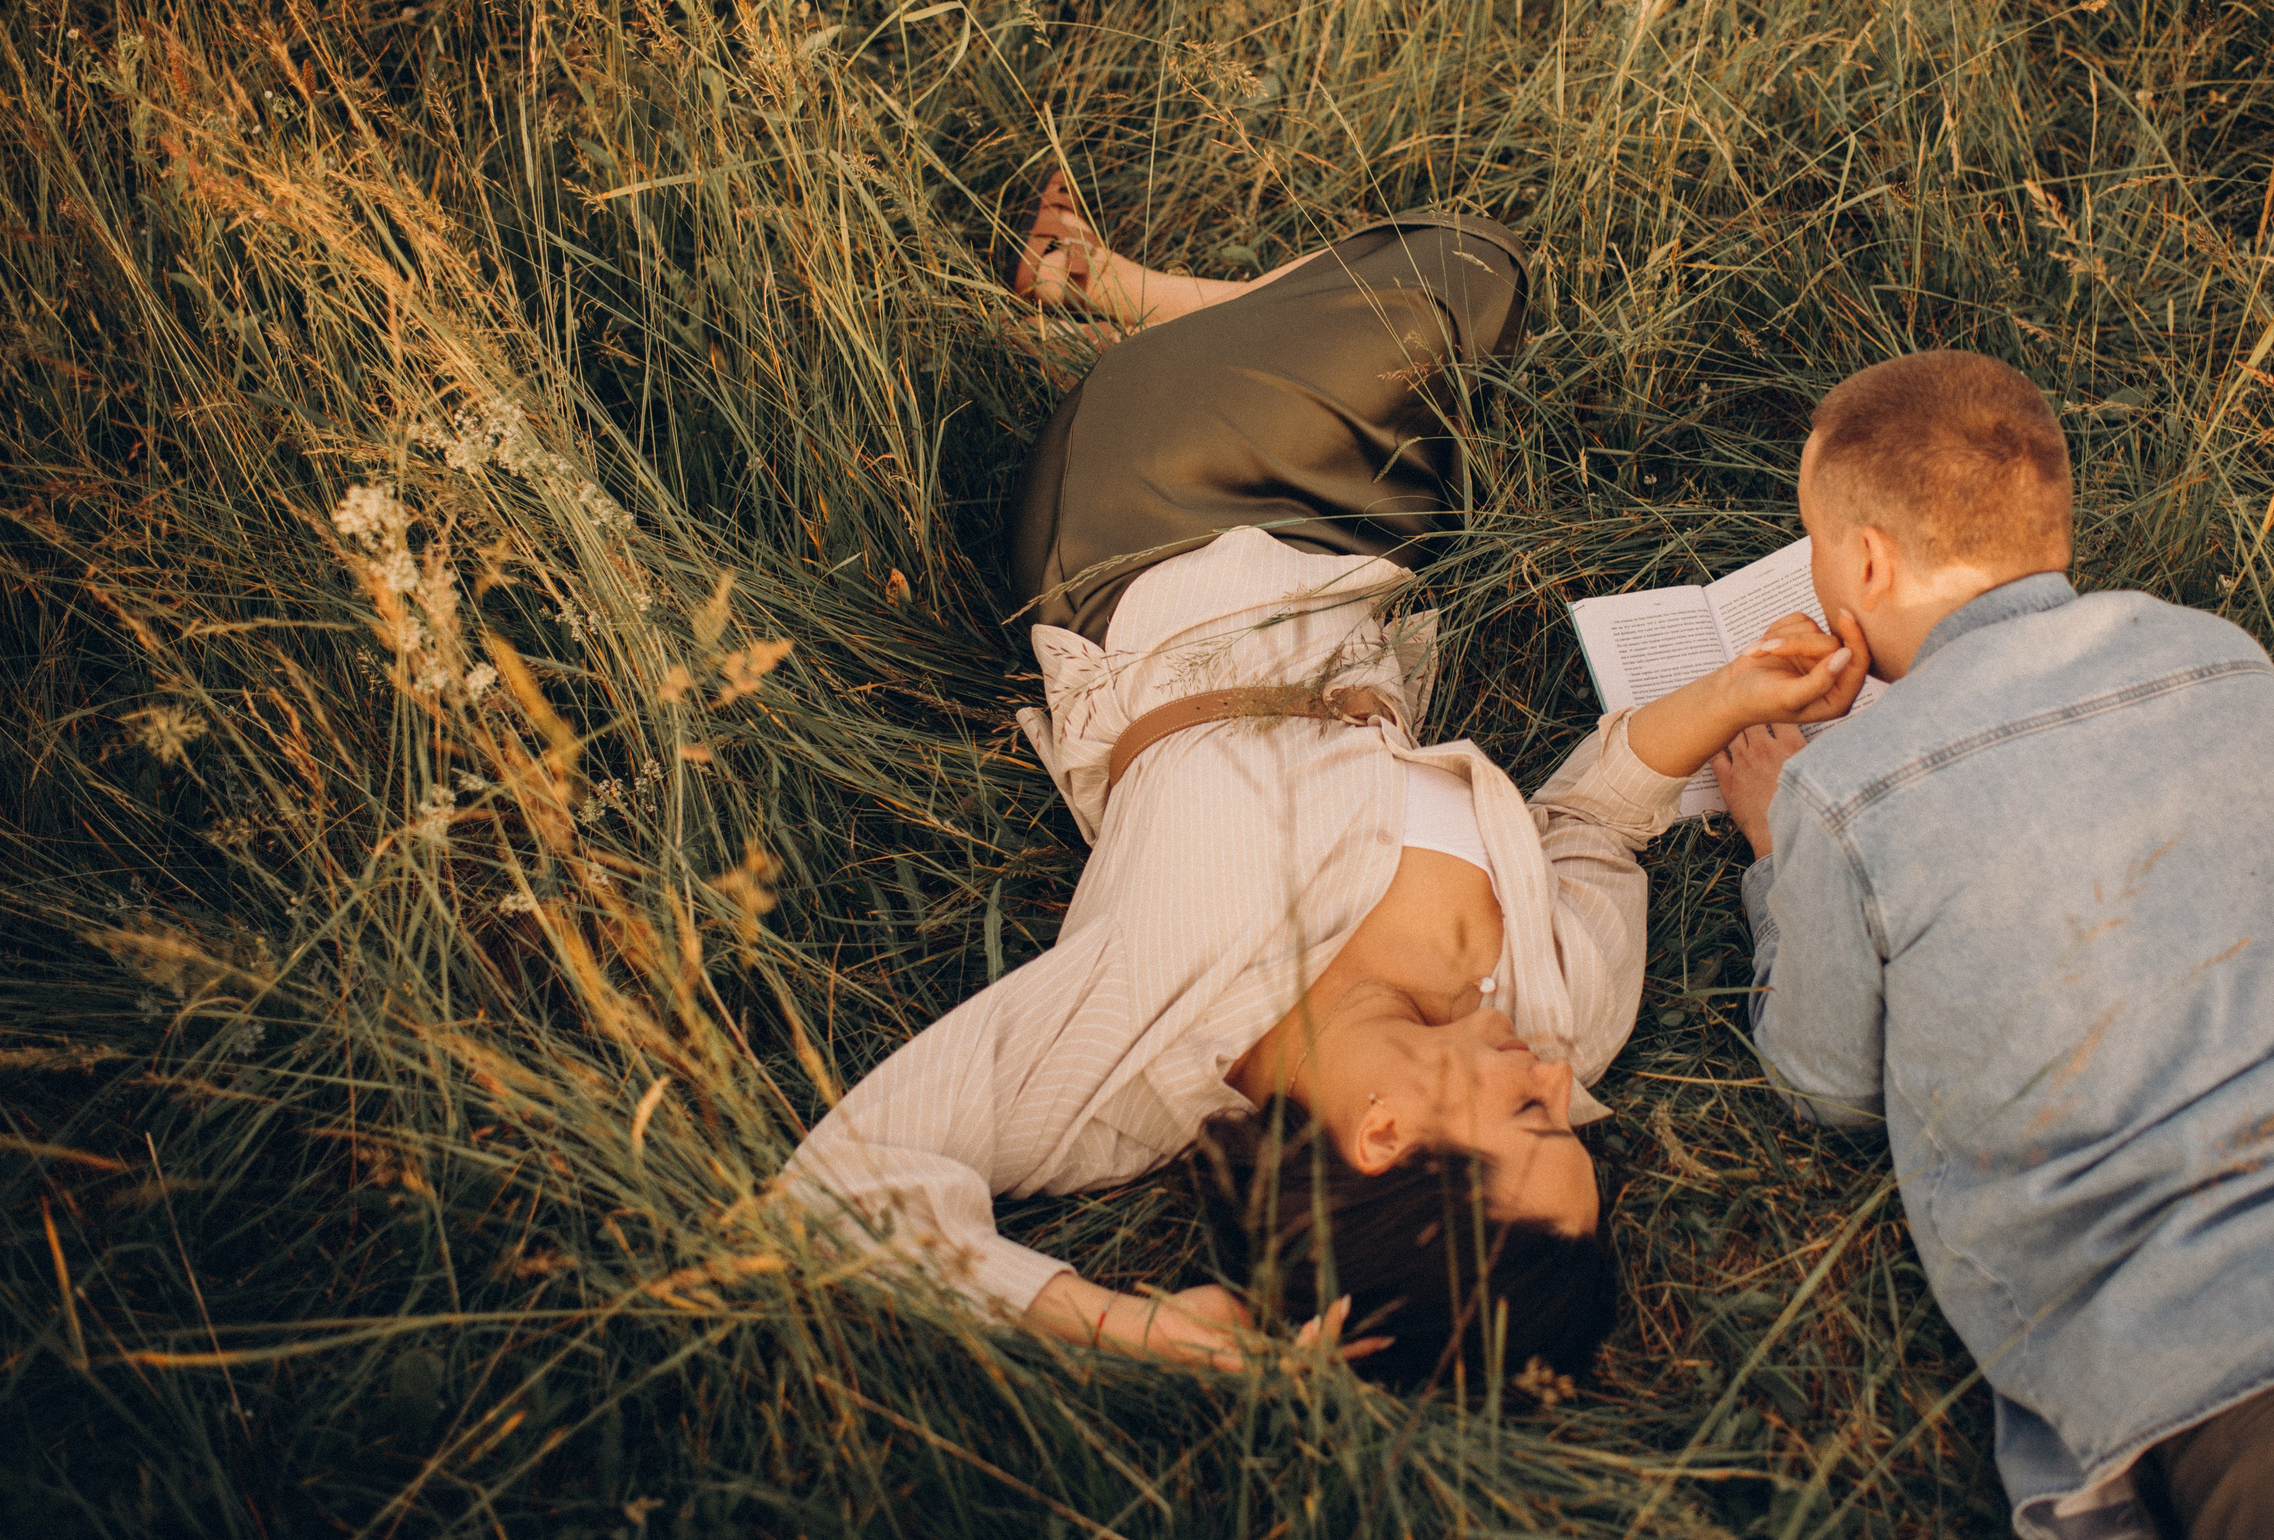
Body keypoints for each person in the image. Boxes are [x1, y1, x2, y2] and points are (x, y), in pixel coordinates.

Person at [778, 175, 1863, 1388]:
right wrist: (1731, 694)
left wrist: (1128, 1324)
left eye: (1531, 1119)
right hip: (1367, 560)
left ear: (1385, 1138)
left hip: (1155, 527)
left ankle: (1112, 298)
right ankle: (1157, 328)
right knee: (1478, 336)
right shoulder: (1570, 1017)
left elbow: (839, 1190)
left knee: (1464, 274)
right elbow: (1594, 820)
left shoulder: (1142, 1044)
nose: (1564, 1085)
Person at [1708, 350, 2274, 1539]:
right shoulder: (2223, 653)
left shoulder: (1845, 788)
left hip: (2271, 1350)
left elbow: (1824, 1083)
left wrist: (1774, 849)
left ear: (1864, 563)